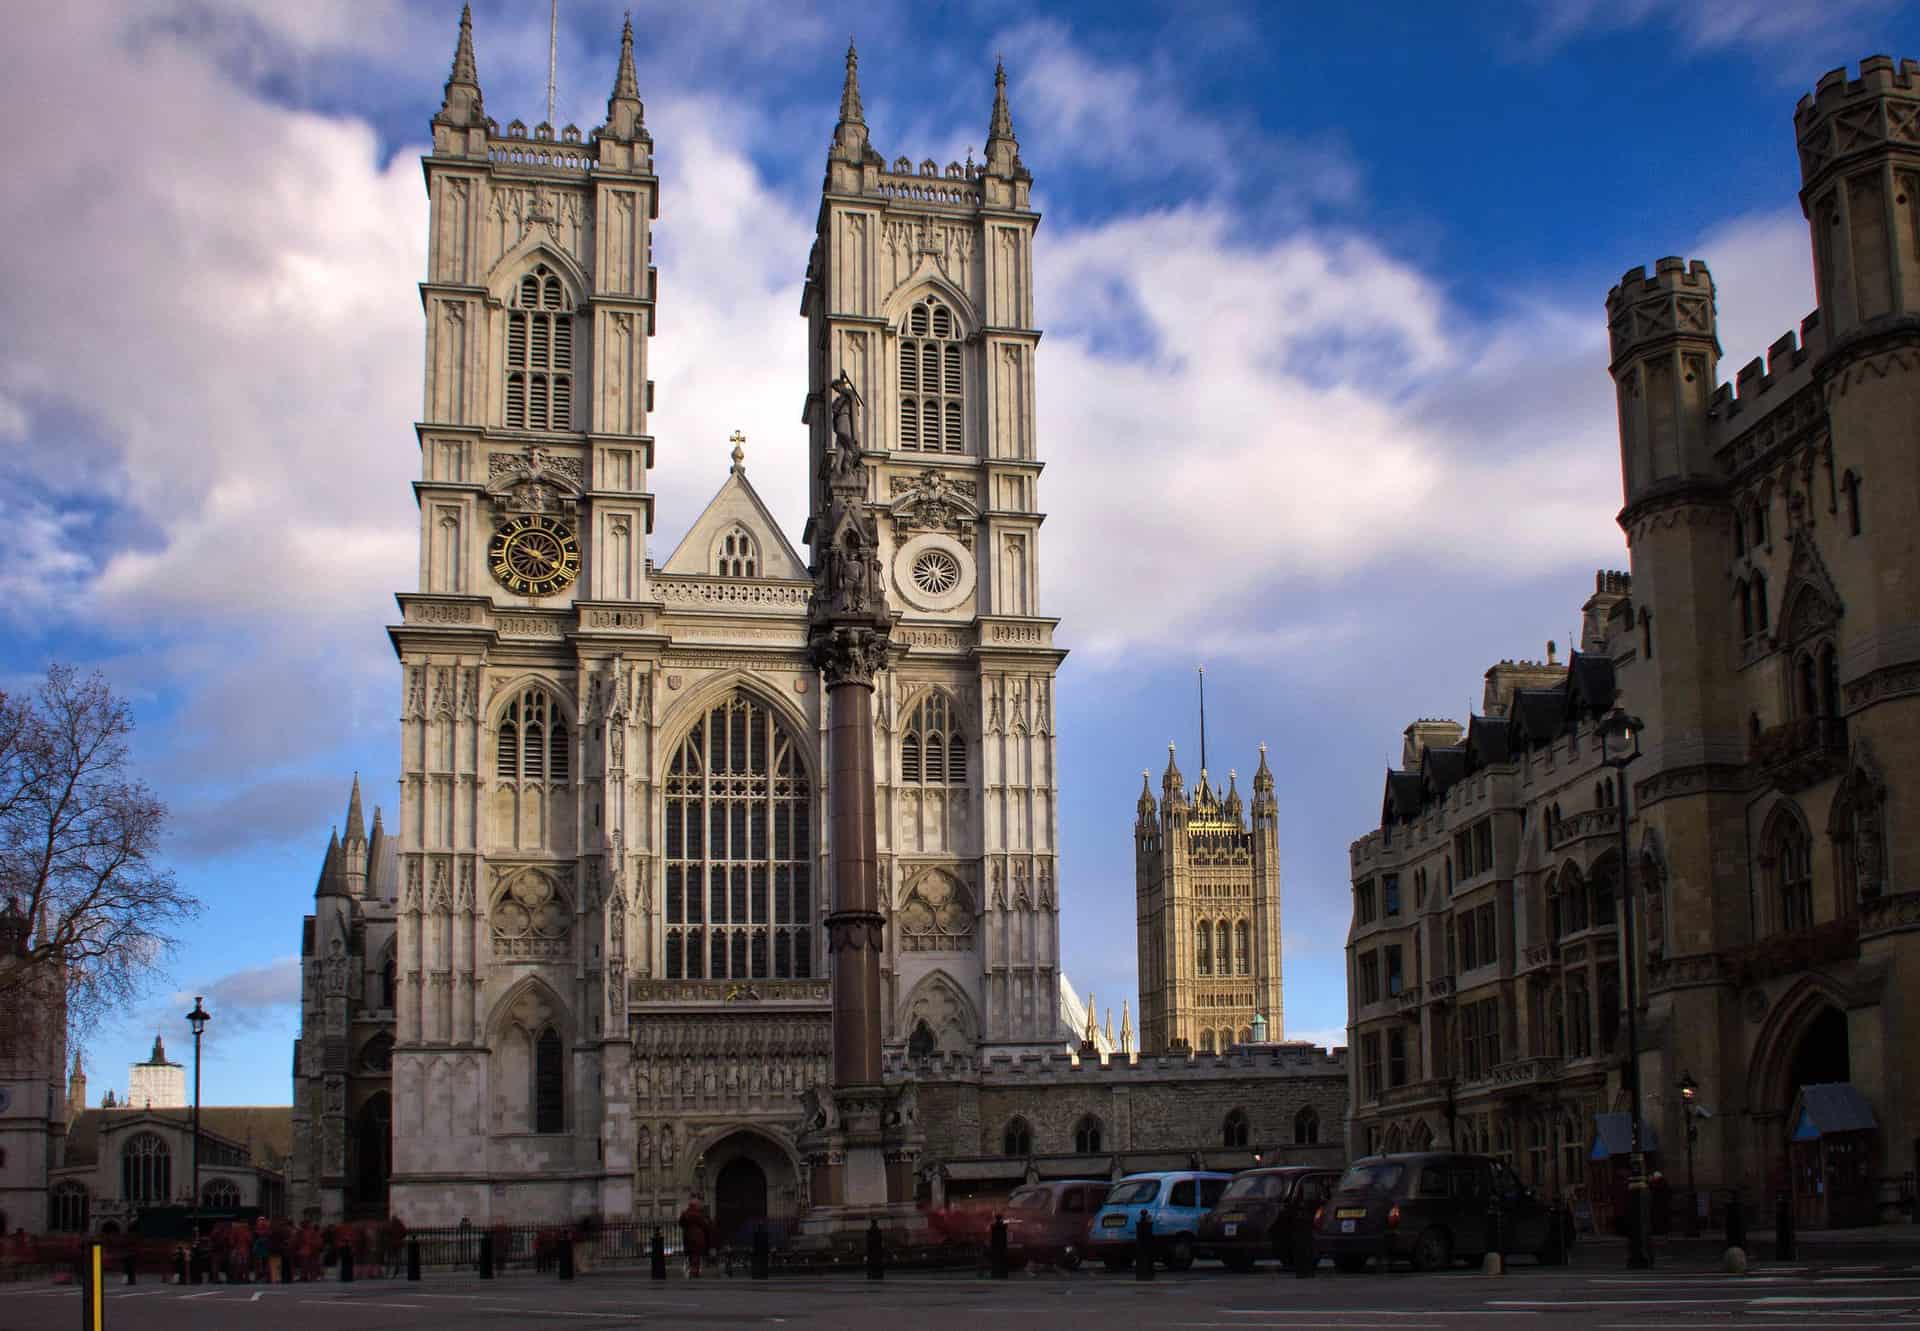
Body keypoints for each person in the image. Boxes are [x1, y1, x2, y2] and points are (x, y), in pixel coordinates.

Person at [678, 1196, 713, 1278]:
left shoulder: (685, 1213)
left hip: (687, 1237)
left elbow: (680, 1223)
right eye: (699, 1204)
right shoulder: (698, 1214)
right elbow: (705, 1225)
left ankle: (691, 1270)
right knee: (696, 1255)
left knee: (691, 1255)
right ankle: (694, 1272)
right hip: (697, 1237)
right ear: (696, 1205)